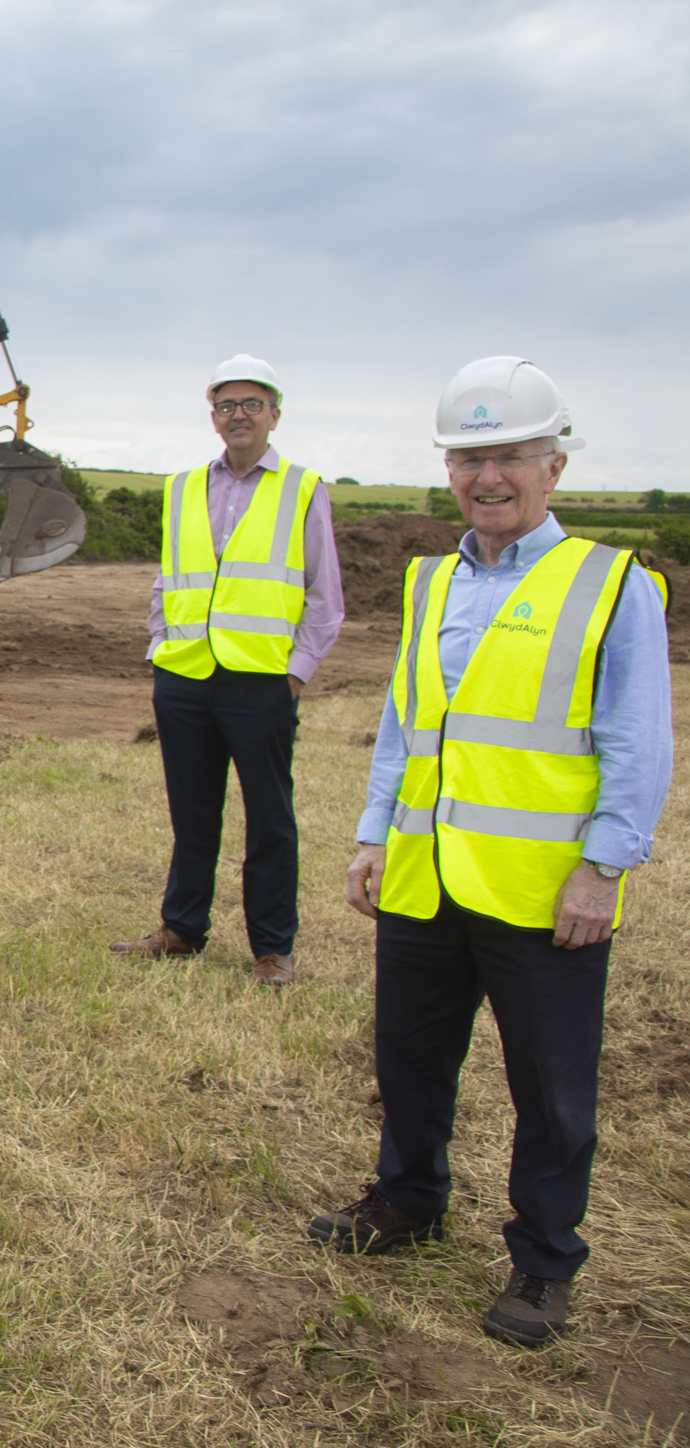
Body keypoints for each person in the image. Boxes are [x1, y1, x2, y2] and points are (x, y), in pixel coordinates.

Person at [310, 357, 671, 1350]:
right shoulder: (431, 582)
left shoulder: (612, 585)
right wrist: (373, 836)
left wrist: (603, 868)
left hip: (542, 891)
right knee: (410, 1059)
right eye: (469, 459)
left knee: (550, 1089)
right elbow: (403, 727)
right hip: (426, 881)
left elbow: (637, 743)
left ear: (553, 464)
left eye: (509, 455)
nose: (488, 477)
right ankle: (409, 1200)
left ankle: (543, 1260)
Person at [115, 354, 342, 987]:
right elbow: (169, 577)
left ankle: (272, 948)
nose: (237, 415)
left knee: (269, 818)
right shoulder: (183, 486)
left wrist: (293, 676)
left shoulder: (303, 488)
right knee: (192, 812)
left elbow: (325, 598)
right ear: (212, 417)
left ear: (274, 414)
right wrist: (160, 648)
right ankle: (182, 929)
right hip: (184, 677)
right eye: (226, 405)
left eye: (250, 404)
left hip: (261, 681)